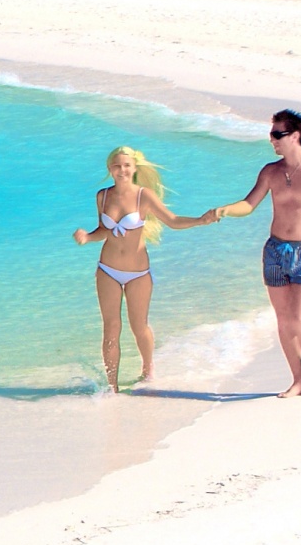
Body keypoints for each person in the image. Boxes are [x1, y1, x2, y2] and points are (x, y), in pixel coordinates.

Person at [205, 108, 301, 397]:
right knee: (283, 320)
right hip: (275, 250)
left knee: (299, 318)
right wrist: (225, 210)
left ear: (296, 136)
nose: (273, 140)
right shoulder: (271, 171)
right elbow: (249, 203)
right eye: (272, 135)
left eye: (278, 134)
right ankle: (297, 380)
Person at [73, 144, 210, 393]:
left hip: (138, 273)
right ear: (109, 168)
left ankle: (148, 369)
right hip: (107, 269)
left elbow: (172, 220)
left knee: (139, 326)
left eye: (126, 165)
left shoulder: (143, 196)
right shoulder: (102, 196)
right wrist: (87, 237)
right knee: (111, 327)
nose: (121, 170)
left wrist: (200, 220)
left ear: (135, 168)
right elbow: (103, 230)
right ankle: (111, 387)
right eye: (117, 165)